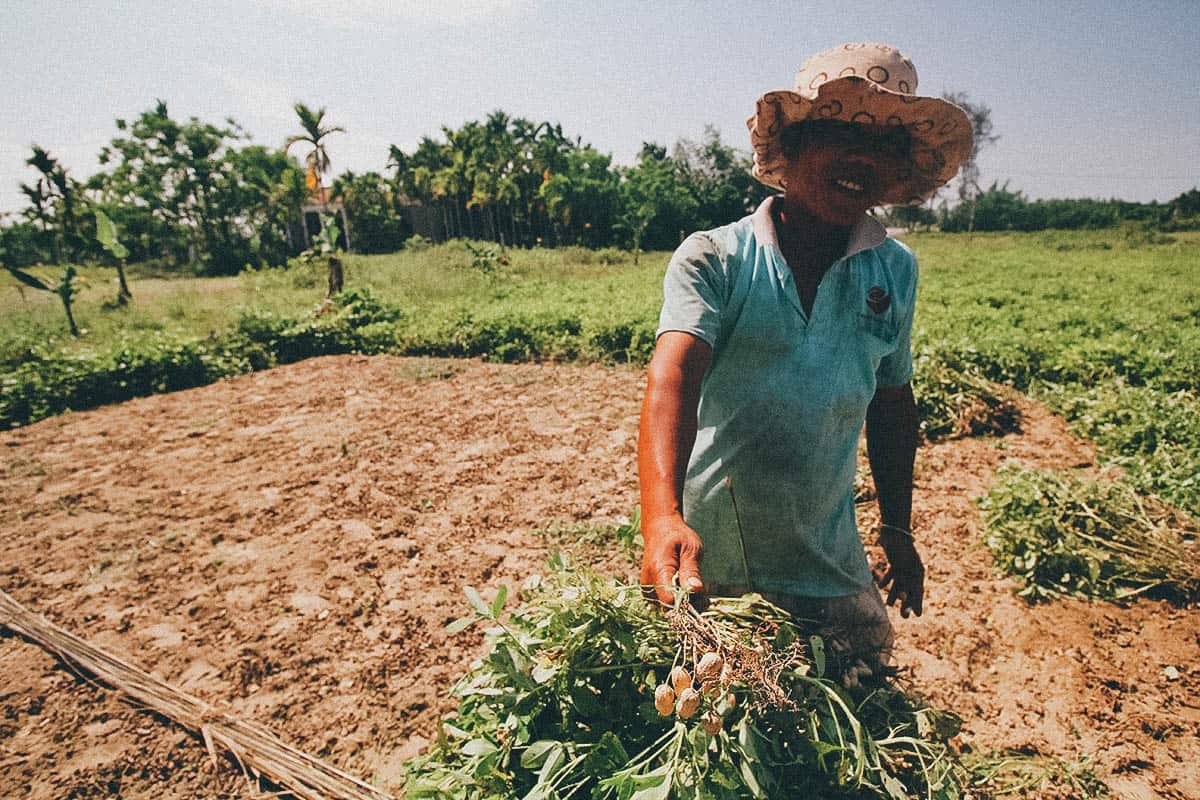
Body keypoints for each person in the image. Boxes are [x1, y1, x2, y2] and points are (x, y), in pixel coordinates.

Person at [638, 43, 972, 668]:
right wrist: (661, 519)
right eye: (841, 133)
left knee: (860, 696)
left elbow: (893, 405)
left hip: (828, 560)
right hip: (712, 560)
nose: (861, 159)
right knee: (708, 721)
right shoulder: (716, 258)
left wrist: (897, 531)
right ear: (789, 149)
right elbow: (673, 377)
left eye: (883, 146)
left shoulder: (894, 270)